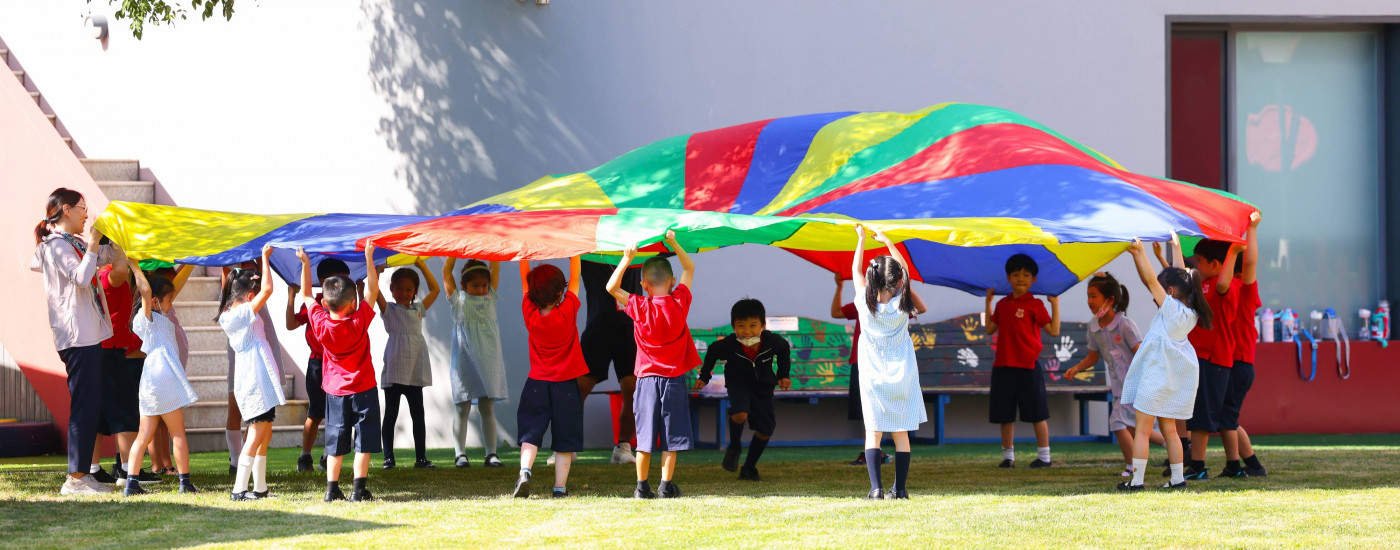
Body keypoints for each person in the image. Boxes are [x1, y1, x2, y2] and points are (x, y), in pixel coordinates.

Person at [32, 188, 121, 495]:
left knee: (90, 404)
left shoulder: (74, 243)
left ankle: (82, 475)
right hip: (76, 336)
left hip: (88, 334)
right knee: (84, 405)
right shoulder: (56, 246)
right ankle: (75, 479)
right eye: (83, 208)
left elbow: (101, 262)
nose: (87, 214)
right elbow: (81, 278)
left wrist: (111, 237)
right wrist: (94, 243)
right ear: (67, 210)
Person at [608, 230, 699, 499]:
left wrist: (626, 259)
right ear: (671, 282)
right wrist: (673, 242)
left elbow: (611, 288)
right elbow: (690, 267)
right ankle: (665, 486)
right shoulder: (680, 301)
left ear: (644, 284)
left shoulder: (638, 305)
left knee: (645, 437)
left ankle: (641, 487)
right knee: (670, 438)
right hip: (673, 381)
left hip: (646, 381)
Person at [1118, 237, 1212, 490]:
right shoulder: (1189, 313)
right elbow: (1182, 277)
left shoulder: (1169, 309)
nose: (1155, 293)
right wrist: (1175, 247)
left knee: (1143, 430)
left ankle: (1136, 481)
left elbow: (1149, 279)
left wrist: (1140, 252)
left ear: (1169, 292)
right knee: (1170, 430)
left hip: (1155, 377)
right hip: (1172, 381)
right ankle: (1178, 479)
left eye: (1161, 289)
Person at [300, 245, 382, 502]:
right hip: (364, 388)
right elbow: (373, 291)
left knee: (335, 439)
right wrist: (369, 257)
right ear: (354, 302)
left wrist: (305, 263)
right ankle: (359, 490)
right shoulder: (359, 321)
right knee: (364, 439)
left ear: (324, 303)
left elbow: (305, 296)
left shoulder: (321, 323)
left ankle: (331, 489)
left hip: (335, 392)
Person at [850, 226, 926, 499]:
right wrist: (887, 241)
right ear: (898, 284)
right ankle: (901, 489)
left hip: (873, 375)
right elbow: (904, 268)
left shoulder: (863, 303)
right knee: (900, 432)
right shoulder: (902, 304)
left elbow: (855, 272)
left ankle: (875, 489)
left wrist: (860, 240)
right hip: (902, 373)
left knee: (874, 431)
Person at [1062, 272, 1163, 476]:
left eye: (1094, 296)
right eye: (1088, 296)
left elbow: (1142, 353)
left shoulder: (1125, 325)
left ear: (1109, 299)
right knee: (1135, 429)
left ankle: (1132, 467)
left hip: (1136, 386)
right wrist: (1076, 368)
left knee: (1117, 423)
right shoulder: (1093, 327)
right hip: (1119, 388)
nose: (1089, 301)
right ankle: (1175, 446)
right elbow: (1093, 356)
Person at [120, 257, 201, 496]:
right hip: (163, 380)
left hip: (150, 384)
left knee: (143, 435)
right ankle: (185, 482)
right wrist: (134, 265)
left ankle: (131, 483)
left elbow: (165, 291)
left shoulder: (160, 318)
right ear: (155, 301)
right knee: (178, 433)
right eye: (168, 299)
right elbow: (145, 290)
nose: (171, 302)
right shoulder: (147, 320)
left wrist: (191, 263)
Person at [511, 257, 587, 499]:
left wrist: (525, 253)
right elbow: (576, 277)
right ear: (559, 292)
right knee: (565, 438)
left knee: (530, 434)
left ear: (532, 292)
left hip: (536, 384)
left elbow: (524, 278)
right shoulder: (568, 311)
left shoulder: (529, 312)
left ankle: (525, 471)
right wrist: (574, 253)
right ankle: (559, 489)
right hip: (565, 385)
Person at [832, 271, 926, 466]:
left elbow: (921, 308)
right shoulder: (868, 303)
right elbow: (837, 312)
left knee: (875, 411)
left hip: (877, 364)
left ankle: (876, 452)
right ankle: (876, 451)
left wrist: (904, 286)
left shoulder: (891, 304)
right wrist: (839, 287)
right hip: (869, 362)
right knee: (870, 412)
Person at [695, 298, 791, 481]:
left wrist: (782, 375)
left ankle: (748, 468)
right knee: (740, 414)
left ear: (762, 325)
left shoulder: (771, 341)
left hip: (763, 388)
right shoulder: (729, 345)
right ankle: (735, 446)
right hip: (738, 384)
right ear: (733, 327)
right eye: (741, 326)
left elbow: (784, 349)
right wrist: (704, 377)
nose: (747, 332)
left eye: (753, 325)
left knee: (766, 430)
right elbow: (713, 351)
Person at [219, 245, 287, 501]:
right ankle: (239, 489)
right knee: (257, 432)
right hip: (253, 379)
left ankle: (260, 488)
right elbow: (268, 289)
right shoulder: (237, 315)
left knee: (265, 432)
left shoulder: (236, 310)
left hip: (259, 376)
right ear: (248, 295)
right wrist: (265, 260)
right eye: (253, 293)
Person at [984, 254, 1060, 469]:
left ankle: (1044, 457)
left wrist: (1054, 304)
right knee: (1004, 415)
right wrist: (988, 302)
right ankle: (1008, 457)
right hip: (1003, 368)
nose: (1020, 279)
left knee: (1038, 413)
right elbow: (990, 328)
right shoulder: (1003, 304)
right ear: (1008, 277)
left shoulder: (1035, 304)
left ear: (1033, 279)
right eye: (1016, 275)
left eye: (1026, 275)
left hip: (1028, 368)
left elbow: (1054, 331)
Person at [95, 253, 162, 486]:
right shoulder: (108, 277)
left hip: (103, 349)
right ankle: (126, 469)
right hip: (112, 349)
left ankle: (94, 470)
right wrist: (122, 249)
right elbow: (121, 271)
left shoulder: (98, 276)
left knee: (100, 414)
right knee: (126, 411)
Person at [1182, 237, 1243, 480]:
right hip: (1205, 358)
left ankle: (1198, 467)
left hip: (1213, 359)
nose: (1196, 266)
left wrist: (1235, 251)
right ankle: (1234, 466)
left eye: (1200, 262)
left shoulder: (1223, 285)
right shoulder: (1204, 285)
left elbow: (1223, 284)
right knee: (1225, 419)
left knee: (1201, 416)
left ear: (1217, 264)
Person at [287, 258, 353, 473]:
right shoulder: (314, 304)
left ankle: (328, 456)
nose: (343, 284)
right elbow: (290, 324)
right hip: (317, 364)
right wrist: (291, 296)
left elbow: (355, 318)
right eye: (340, 279)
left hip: (339, 365)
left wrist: (360, 289)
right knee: (315, 413)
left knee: (338, 414)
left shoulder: (345, 305)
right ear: (324, 281)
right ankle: (305, 456)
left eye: (346, 280)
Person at [443, 258, 508, 468]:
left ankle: (491, 454)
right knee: (462, 408)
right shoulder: (458, 300)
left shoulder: (491, 297)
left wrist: (490, 243)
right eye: (475, 285)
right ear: (463, 285)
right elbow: (446, 271)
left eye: (484, 285)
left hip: (489, 360)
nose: (481, 289)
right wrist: (454, 250)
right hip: (464, 361)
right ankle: (460, 454)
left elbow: (495, 266)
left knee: (487, 409)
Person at [375, 259, 440, 469]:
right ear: (392, 289)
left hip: (415, 370)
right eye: (399, 289)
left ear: (414, 292)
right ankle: (388, 458)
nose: (404, 293)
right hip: (394, 369)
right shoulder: (389, 310)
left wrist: (422, 266)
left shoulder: (419, 309)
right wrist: (376, 271)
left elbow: (436, 289)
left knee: (418, 415)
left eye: (409, 289)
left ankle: (421, 458)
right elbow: (374, 291)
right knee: (391, 415)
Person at [579, 259, 643, 465]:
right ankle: (565, 445)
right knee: (577, 390)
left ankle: (623, 447)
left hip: (629, 329)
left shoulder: (636, 247)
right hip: (598, 329)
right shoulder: (590, 253)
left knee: (633, 391)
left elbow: (663, 244)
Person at [1229, 213, 1268, 477]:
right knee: (1227, 418)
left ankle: (1246, 465)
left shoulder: (1243, 289)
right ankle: (1251, 465)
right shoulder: (1225, 288)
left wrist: (1251, 230)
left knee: (1227, 418)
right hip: (1232, 363)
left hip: (1239, 364)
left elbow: (1251, 262)